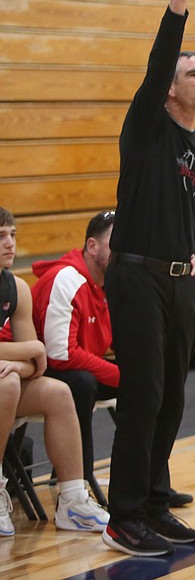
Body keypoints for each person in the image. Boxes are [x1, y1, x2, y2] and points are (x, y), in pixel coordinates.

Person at [101, 0, 195, 556]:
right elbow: (156, 66)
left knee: (173, 395)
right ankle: (122, 517)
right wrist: (179, 6)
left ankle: (153, 500)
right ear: (171, 90)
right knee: (143, 393)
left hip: (178, 280)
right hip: (137, 275)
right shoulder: (147, 127)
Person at [26, 210, 194, 512]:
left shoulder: (113, 282)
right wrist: (124, 376)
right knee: (83, 382)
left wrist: (144, 371)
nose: (123, 251)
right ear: (92, 247)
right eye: (116, 243)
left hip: (80, 367)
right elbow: (61, 355)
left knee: (155, 386)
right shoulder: (66, 278)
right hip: (42, 371)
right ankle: (78, 488)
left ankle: (154, 485)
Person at [1, 207, 111, 537]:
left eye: (13, 235)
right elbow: (34, 350)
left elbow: (38, 361)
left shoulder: (16, 287)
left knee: (58, 392)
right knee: (7, 384)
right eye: (1, 236)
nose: (10, 244)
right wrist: (29, 353)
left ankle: (73, 502)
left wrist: (27, 356)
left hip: (8, 377)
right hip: (5, 384)